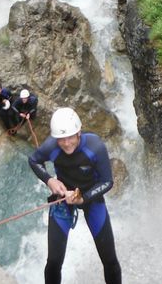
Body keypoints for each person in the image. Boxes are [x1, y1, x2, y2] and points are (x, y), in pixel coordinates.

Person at [28, 108, 121, 284]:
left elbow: (107, 181)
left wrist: (84, 198)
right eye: (61, 139)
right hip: (63, 199)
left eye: (71, 137)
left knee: (109, 260)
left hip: (91, 199)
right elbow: (33, 160)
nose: (66, 143)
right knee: (53, 262)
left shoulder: (95, 147)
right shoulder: (51, 146)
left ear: (79, 132)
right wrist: (50, 181)